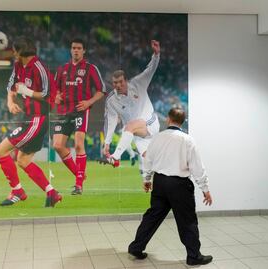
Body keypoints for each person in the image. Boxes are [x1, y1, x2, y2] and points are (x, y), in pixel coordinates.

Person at [128, 107, 213, 266]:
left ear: (168, 119)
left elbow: (148, 160)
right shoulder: (187, 140)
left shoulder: (157, 138)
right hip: (179, 185)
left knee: (152, 217)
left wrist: (147, 179)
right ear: (182, 122)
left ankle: (136, 247)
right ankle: (194, 256)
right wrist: (205, 189)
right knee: (187, 221)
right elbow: (197, 168)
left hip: (160, 183)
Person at [0, 36, 62, 207]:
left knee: (0, 151)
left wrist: (28, 91)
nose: (13, 53)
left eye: (15, 50)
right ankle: (52, 193)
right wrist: (10, 102)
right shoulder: (18, 66)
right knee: (23, 161)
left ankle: (17, 191)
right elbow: (11, 86)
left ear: (21, 51)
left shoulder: (40, 69)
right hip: (28, 118)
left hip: (37, 120)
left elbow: (49, 95)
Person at [100, 40, 161, 181]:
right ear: (112, 83)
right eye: (115, 83)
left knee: (129, 126)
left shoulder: (138, 83)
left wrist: (156, 54)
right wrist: (107, 143)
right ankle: (148, 181)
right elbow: (111, 121)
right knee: (147, 164)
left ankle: (115, 158)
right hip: (137, 135)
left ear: (126, 80)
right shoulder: (111, 101)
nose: (118, 85)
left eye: (121, 82)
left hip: (150, 123)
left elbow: (150, 70)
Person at [53, 38, 106, 195]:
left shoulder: (90, 69)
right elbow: (55, 90)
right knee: (57, 145)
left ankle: (78, 185)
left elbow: (101, 90)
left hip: (80, 110)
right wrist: (56, 96)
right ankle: (80, 174)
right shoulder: (62, 69)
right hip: (63, 111)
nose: (76, 50)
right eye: (73, 47)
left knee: (78, 144)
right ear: (71, 50)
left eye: (79, 48)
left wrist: (89, 102)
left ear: (84, 51)